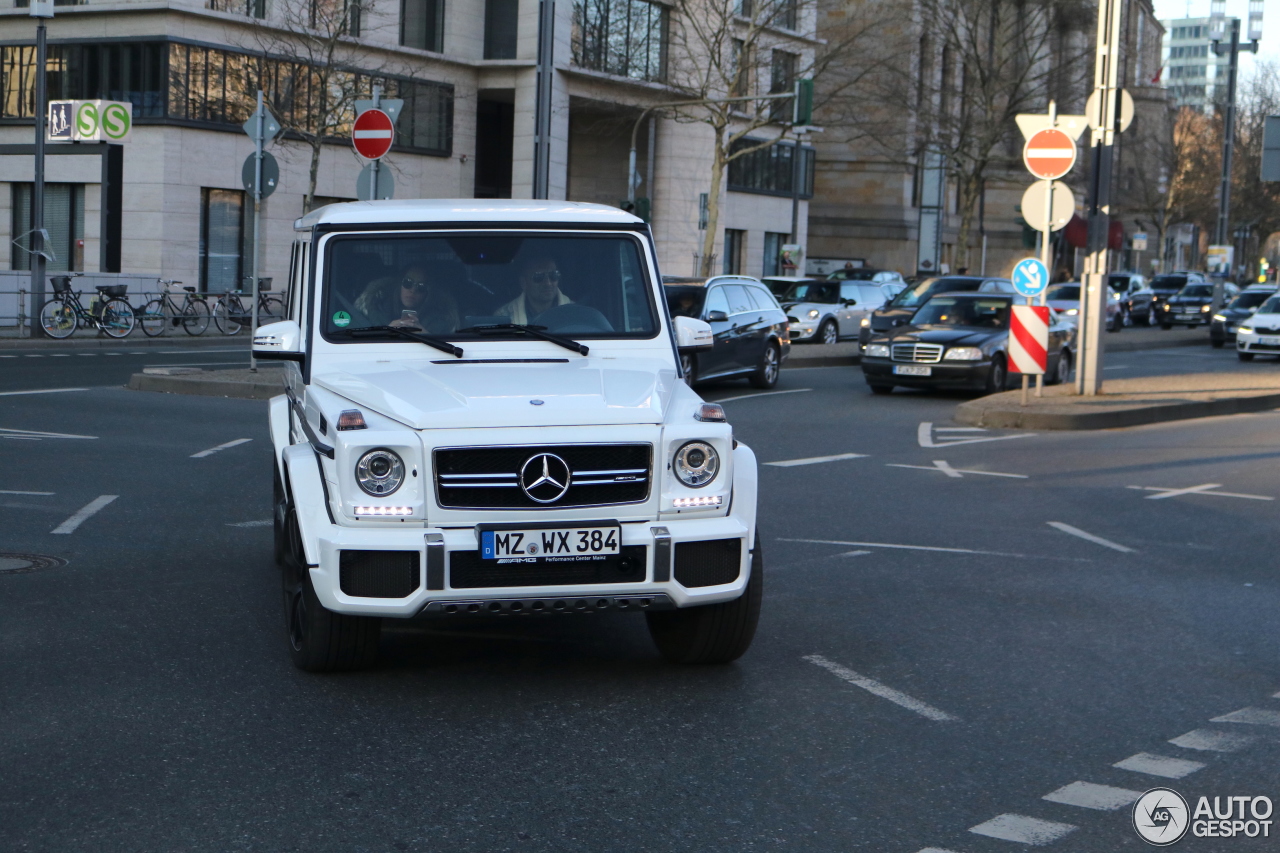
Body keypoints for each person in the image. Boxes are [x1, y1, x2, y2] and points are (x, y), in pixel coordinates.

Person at [354, 263, 459, 334]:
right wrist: (387, 332)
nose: (413, 290)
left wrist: (426, 335)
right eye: (408, 282)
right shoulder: (374, 308)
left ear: (429, 292)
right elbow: (355, 344)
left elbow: (449, 351)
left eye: (421, 287)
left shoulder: (441, 319)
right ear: (399, 284)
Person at [496, 255, 572, 324]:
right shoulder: (504, 316)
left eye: (553, 275)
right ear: (523, 283)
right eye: (538, 277)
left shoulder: (574, 312)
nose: (548, 283)